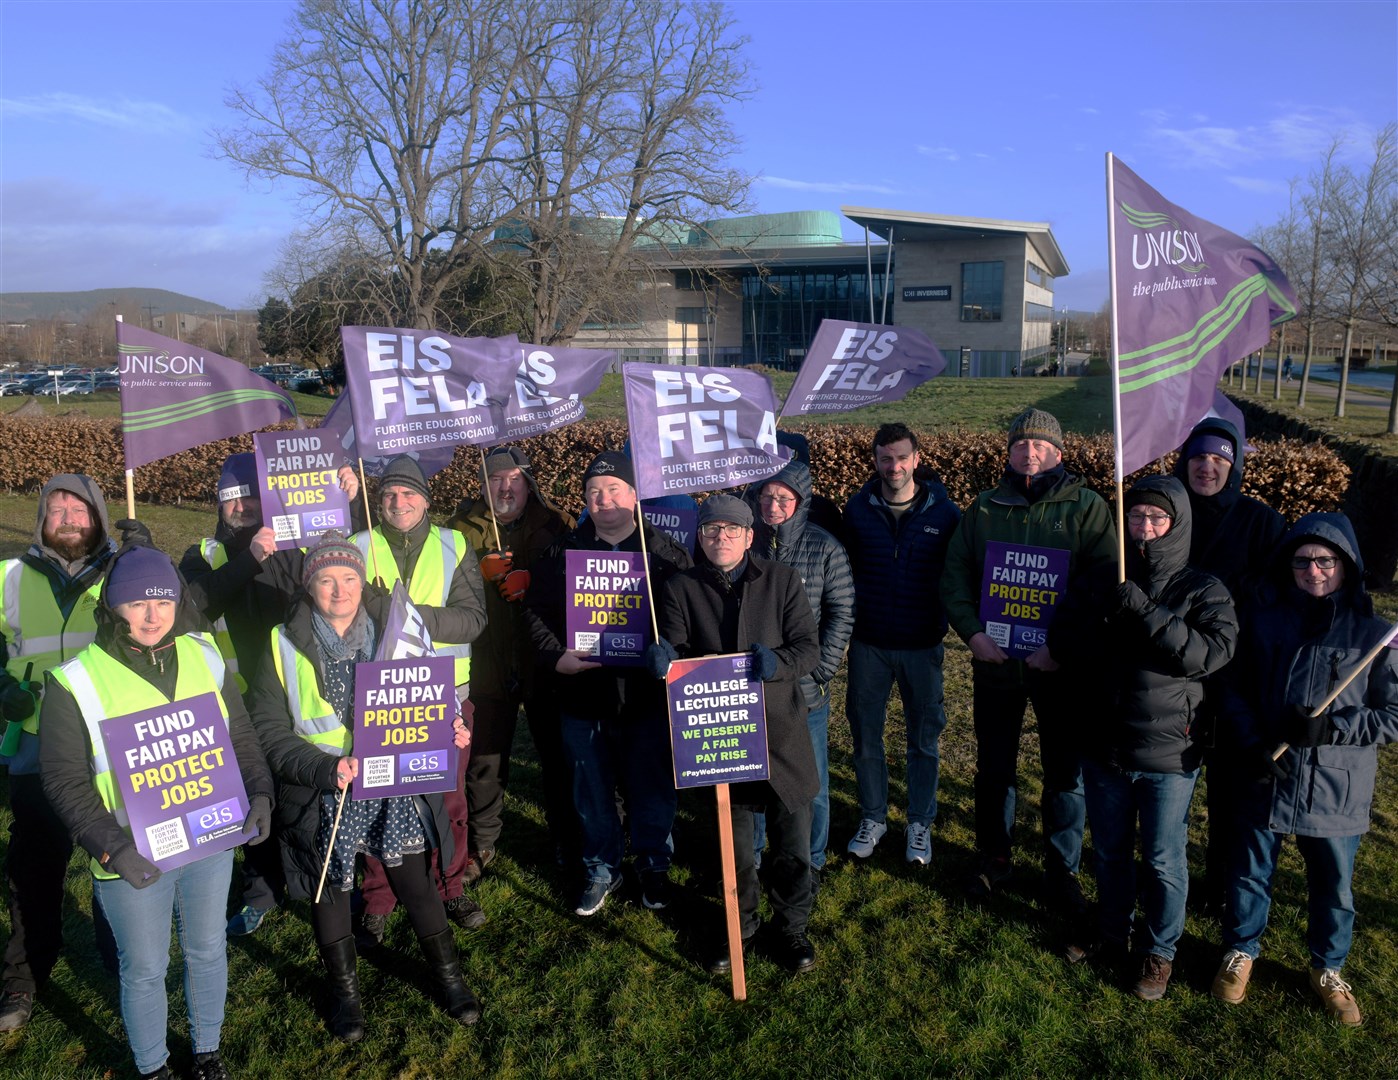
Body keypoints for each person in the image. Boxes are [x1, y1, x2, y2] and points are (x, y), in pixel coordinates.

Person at [39, 542, 274, 1080]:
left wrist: (259, 790)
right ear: (113, 607)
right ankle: (153, 1067)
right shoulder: (74, 681)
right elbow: (63, 778)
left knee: (208, 949)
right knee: (144, 970)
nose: (153, 615)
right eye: (138, 603)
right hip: (130, 854)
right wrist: (110, 845)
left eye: (164, 602)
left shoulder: (204, 654)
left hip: (207, 841)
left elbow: (239, 733)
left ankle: (207, 1052)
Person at [246, 532, 480, 1041]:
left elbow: (426, 704)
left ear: (360, 581)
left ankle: (450, 977)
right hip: (323, 789)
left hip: (390, 785)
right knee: (331, 888)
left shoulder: (397, 635)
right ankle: (346, 995)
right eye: (326, 579)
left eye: (349, 577)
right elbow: (268, 730)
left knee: (413, 880)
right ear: (309, 586)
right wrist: (321, 768)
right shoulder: (279, 643)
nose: (339, 589)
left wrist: (449, 728)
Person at [1210, 513, 1398, 1026]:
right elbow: (1232, 688)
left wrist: (1334, 727)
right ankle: (1241, 950)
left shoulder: (1377, 636)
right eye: (1301, 561)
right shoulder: (1262, 620)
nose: (1312, 570)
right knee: (1248, 872)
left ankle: (1328, 967)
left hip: (1336, 785)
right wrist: (1249, 741)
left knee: (1333, 885)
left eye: (1324, 561)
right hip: (1266, 772)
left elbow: (1392, 715)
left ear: (1346, 566)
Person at [1054, 477, 1237, 1000]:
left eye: (1157, 520)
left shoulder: (1204, 589)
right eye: (1136, 518)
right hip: (1105, 743)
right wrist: (1101, 625)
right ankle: (1112, 931)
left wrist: (1146, 611)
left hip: (1169, 751)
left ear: (1177, 525)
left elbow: (1208, 654)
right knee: (1110, 850)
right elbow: (1063, 638)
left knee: (1162, 857)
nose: (1145, 529)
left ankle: (1160, 951)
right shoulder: (1101, 579)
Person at [941, 409, 1116, 913]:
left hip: (1061, 670)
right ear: (1009, 452)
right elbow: (954, 577)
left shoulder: (1086, 508)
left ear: (1060, 453)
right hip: (996, 665)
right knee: (994, 768)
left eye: (1040, 446)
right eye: (1022, 445)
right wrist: (972, 635)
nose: (1030, 453)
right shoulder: (984, 508)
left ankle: (1062, 870)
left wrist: (1061, 648)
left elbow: (1103, 587)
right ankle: (993, 857)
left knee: (1064, 773)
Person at [180, 452, 362, 937]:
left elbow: (342, 570)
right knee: (251, 795)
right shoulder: (204, 555)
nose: (240, 506)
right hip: (231, 699)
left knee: (295, 792)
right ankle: (260, 888)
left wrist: (347, 503)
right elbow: (195, 608)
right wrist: (250, 558)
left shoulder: (293, 545)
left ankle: (324, 873)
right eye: (230, 498)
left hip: (292, 691)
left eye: (249, 496)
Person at [655, 495, 822, 973]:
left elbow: (807, 647)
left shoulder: (782, 580)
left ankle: (791, 927)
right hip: (721, 738)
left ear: (750, 537)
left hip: (780, 733)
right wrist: (664, 660)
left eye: (732, 530)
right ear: (700, 537)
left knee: (792, 843)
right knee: (735, 847)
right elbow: (677, 648)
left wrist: (778, 665)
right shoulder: (680, 587)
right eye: (711, 531)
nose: (721, 538)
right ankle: (739, 927)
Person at [524, 451, 691, 915]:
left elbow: (686, 623)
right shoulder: (561, 554)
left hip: (646, 698)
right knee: (591, 789)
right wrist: (556, 656)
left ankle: (654, 864)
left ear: (635, 496)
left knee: (652, 787)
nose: (604, 499)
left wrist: (670, 651)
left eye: (614, 488)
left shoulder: (665, 556)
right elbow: (535, 613)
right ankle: (601, 866)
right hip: (583, 696)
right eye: (594, 491)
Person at [351, 455, 488, 939]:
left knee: (448, 799)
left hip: (446, 695)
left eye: (409, 493)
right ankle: (378, 898)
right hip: (378, 697)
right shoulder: (357, 544)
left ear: (426, 500)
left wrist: (404, 617)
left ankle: (451, 887)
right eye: (389, 494)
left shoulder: (454, 545)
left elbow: (472, 619)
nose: (398, 502)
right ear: (379, 501)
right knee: (378, 799)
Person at [0, 474, 118, 1031]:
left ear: (98, 518)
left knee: (114, 860)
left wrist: (142, 557)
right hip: (37, 745)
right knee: (34, 865)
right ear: (42, 519)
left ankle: (123, 966)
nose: (69, 519)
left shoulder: (124, 574)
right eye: (57, 510)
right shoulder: (11, 576)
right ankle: (23, 975)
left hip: (111, 745)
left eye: (80, 510)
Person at [1170, 418, 1286, 916]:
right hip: (1171, 665)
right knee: (1167, 779)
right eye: (1199, 458)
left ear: (1233, 466)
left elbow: (1275, 590)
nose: (1207, 467)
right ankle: (1164, 870)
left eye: (1219, 459)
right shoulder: (1167, 511)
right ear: (1185, 462)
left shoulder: (1260, 521)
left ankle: (1219, 881)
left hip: (1233, 672)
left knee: (1228, 787)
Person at [447, 446, 577, 877]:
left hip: (544, 660)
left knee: (556, 756)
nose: (506, 487)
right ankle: (482, 844)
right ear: (482, 485)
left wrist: (533, 583)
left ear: (529, 483)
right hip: (486, 659)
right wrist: (483, 579)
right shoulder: (458, 530)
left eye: (514, 478)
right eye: (495, 478)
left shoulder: (555, 524)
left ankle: (565, 838)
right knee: (486, 758)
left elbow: (575, 588)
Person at [841, 422, 961, 864]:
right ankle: (873, 816)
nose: (894, 466)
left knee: (923, 739)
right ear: (875, 460)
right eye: (885, 458)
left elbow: (959, 573)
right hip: (869, 644)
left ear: (916, 459)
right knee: (865, 736)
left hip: (922, 645)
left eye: (902, 458)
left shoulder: (945, 514)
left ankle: (919, 822)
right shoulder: (857, 509)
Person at [744, 460, 854, 893]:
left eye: (783, 498)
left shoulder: (825, 548)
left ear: (800, 501)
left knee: (811, 780)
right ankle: (750, 856)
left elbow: (842, 611)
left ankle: (812, 858)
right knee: (751, 775)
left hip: (804, 687)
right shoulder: (745, 543)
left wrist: (822, 667)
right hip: (752, 686)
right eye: (766, 496)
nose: (772, 505)